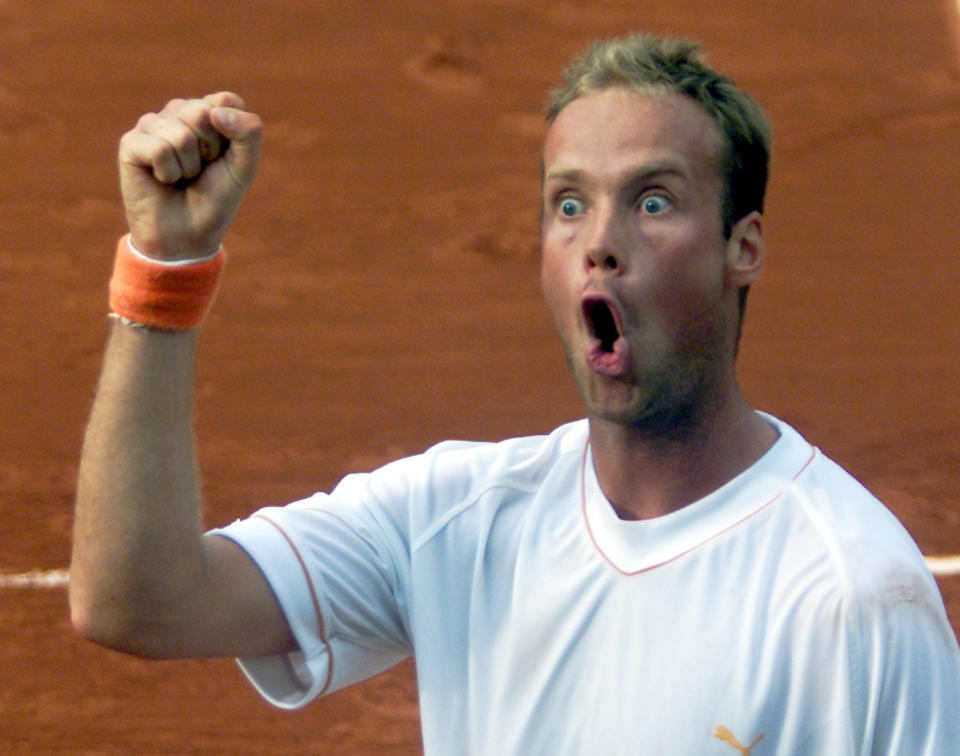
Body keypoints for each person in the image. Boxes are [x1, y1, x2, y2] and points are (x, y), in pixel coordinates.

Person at [70, 33, 960, 754]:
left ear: (744, 247)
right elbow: (137, 598)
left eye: (653, 201)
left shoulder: (852, 600)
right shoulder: (459, 521)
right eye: (568, 205)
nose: (599, 242)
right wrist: (167, 268)